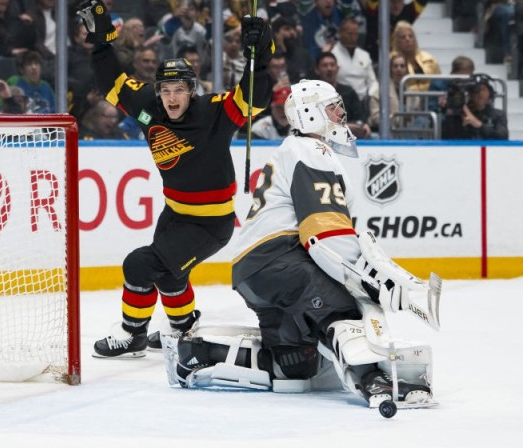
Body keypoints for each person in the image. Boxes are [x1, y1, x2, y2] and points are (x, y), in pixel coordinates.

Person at [161, 79, 438, 411]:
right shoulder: (312, 151)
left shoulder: (292, 150)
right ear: (309, 114)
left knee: (295, 366)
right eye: (331, 108)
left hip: (254, 269)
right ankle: (374, 380)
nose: (340, 114)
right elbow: (325, 234)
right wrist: (369, 281)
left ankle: (199, 353)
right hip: (281, 260)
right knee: (345, 308)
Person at [75, 0, 274, 358]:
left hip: (210, 224)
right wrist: (102, 43)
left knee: (139, 264)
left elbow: (254, 100)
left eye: (179, 89)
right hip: (175, 214)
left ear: (192, 90)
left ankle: (132, 334)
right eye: (166, 90)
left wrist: (259, 57)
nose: (171, 97)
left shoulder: (213, 111)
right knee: (169, 273)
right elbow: (112, 84)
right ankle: (183, 329)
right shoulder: (148, 107)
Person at [315, 52, 371, 139]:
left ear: (337, 68)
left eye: (332, 65)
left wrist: (363, 125)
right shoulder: (311, 93)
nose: (329, 68)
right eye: (325, 65)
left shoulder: (349, 92)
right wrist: (343, 127)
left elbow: (361, 119)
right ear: (317, 70)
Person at [442, 75, 508, 140]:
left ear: (490, 93)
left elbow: (503, 137)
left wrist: (479, 125)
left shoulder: (498, 114)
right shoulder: (460, 114)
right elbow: (448, 138)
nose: (479, 93)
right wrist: (449, 113)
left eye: (483, 89)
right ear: (470, 94)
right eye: (475, 90)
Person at [330, 17, 378, 103]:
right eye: (350, 34)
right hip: (340, 100)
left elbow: (373, 81)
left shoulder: (364, 55)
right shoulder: (332, 55)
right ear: (340, 33)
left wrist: (370, 96)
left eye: (356, 34)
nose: (353, 38)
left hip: (364, 100)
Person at [390, 21, 441, 93]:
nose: (407, 39)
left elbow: (440, 81)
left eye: (410, 36)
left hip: (430, 97)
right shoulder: (392, 59)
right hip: (405, 96)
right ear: (397, 41)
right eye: (403, 37)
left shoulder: (429, 58)